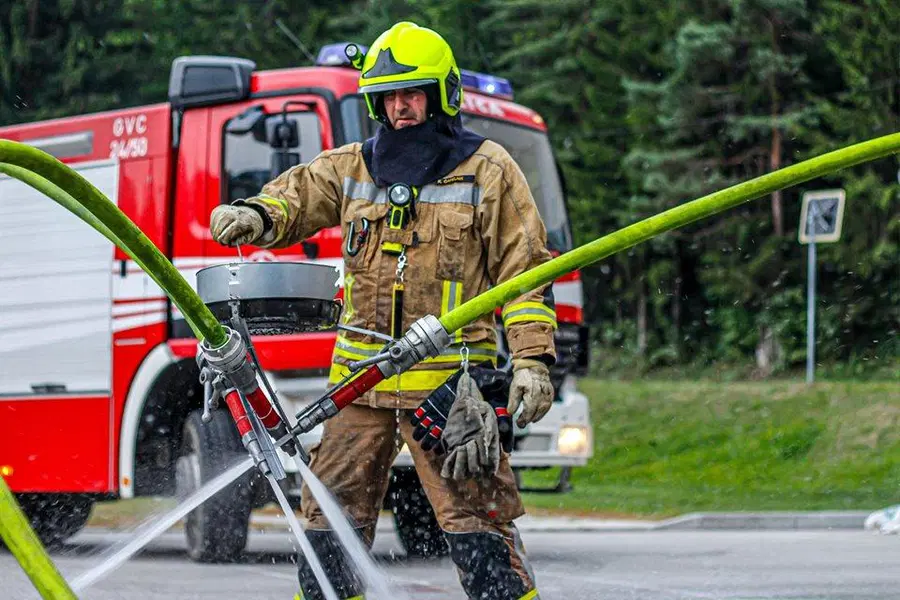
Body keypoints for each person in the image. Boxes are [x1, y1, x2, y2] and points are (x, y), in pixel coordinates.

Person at [209, 21, 557, 600]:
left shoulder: (489, 171)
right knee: (327, 527)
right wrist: (257, 215)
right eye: (389, 96)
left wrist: (531, 361)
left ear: (442, 96)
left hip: (450, 391)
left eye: (412, 93)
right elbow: (296, 195)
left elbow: (524, 271)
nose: (400, 108)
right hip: (358, 388)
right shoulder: (352, 168)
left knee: (478, 527)